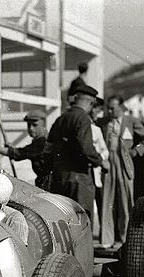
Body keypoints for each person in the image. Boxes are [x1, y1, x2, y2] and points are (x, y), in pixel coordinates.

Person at [98, 95, 144, 248]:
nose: (110, 111)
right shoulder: (103, 122)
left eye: (113, 108)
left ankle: (125, 239)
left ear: (121, 107)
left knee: (125, 202)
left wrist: (137, 151)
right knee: (107, 201)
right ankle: (106, 240)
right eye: (108, 108)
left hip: (124, 164)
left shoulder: (131, 121)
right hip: (108, 164)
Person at [46, 80, 103, 215]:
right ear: (91, 103)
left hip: (60, 177)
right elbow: (86, 148)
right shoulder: (83, 118)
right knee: (82, 220)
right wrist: (101, 161)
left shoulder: (61, 118)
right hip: (79, 179)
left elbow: (49, 145)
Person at [0, 109, 51, 189]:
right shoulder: (40, 141)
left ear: (44, 125)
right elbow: (24, 151)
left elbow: (18, 154)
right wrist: (13, 149)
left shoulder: (42, 142)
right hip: (44, 182)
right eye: (29, 125)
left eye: (35, 125)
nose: (31, 128)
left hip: (49, 183)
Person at [89, 97, 110, 239]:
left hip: (96, 172)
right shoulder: (82, 125)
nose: (97, 111)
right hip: (84, 172)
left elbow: (105, 150)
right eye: (95, 108)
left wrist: (100, 159)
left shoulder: (97, 128)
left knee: (102, 203)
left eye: (99, 109)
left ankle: (104, 235)